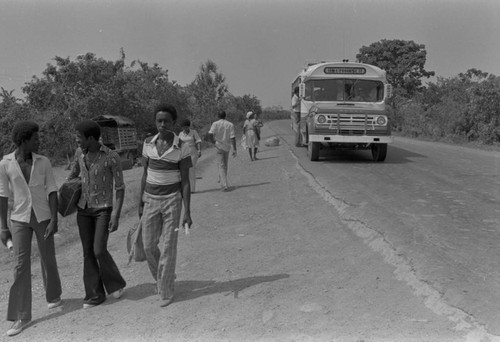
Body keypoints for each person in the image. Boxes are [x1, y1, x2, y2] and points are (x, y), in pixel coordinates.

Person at [0, 121, 62, 337]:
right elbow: (2, 196)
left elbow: (52, 190)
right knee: (19, 265)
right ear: (24, 140)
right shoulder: (5, 163)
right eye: (36, 138)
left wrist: (54, 218)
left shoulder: (43, 161)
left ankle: (53, 296)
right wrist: (3, 227)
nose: (39, 140)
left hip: (43, 216)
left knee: (48, 257)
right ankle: (20, 315)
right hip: (19, 218)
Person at [67, 120, 126, 309]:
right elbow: (73, 175)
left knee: (99, 249)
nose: (77, 141)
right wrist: (66, 190)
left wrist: (116, 214)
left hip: (103, 210)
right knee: (87, 253)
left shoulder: (111, 156)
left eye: (79, 138)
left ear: (91, 138)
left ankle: (116, 284)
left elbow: (120, 187)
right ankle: (94, 295)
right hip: (83, 210)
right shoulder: (79, 154)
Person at [138, 103, 193, 307]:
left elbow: (185, 182)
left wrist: (187, 211)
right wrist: (140, 201)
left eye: (166, 121)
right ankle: (163, 277)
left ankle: (166, 290)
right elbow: (145, 174)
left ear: (173, 123)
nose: (162, 124)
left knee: (169, 247)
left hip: (172, 201)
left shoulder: (183, 147)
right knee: (148, 246)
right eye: (159, 121)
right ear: (155, 122)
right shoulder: (147, 144)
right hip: (150, 200)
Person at [208, 111, 237, 191]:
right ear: (225, 116)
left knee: (221, 165)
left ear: (218, 116)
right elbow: (233, 137)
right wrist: (234, 149)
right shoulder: (230, 124)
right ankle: (223, 182)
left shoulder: (215, 124)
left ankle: (224, 184)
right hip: (227, 147)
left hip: (218, 146)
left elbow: (210, 133)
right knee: (225, 165)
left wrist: (213, 141)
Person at [178, 119, 202, 193]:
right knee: (184, 171)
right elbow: (178, 143)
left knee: (191, 170)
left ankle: (192, 189)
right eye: (183, 127)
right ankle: (185, 188)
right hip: (183, 153)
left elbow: (198, 141)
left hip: (192, 152)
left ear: (188, 126)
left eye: (186, 127)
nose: (185, 129)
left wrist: (199, 150)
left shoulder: (193, 132)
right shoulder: (180, 134)